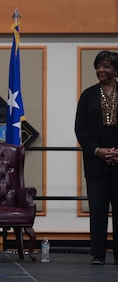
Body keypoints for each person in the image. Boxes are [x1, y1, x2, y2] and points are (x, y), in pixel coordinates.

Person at [75, 50, 118, 265]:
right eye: (98, 66)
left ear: (115, 70)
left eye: (106, 66)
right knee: (98, 210)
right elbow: (80, 129)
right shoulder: (88, 95)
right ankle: (98, 255)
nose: (101, 70)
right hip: (95, 162)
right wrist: (98, 150)